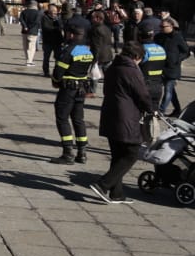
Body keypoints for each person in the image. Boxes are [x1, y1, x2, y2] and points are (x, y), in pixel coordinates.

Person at [89, 41, 153, 204]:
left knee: (117, 155)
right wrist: (151, 109)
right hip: (126, 116)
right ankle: (103, 184)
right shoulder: (132, 70)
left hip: (110, 113)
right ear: (137, 57)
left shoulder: (113, 67)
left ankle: (116, 193)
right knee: (131, 153)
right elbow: (143, 94)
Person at [50, 24, 95, 165]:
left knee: (62, 118)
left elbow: (58, 72)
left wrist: (55, 81)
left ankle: (68, 153)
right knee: (78, 119)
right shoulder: (88, 51)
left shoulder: (69, 50)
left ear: (71, 35)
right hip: (82, 88)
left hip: (68, 88)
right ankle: (82, 153)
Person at [155, 16, 188, 116]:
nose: (161, 28)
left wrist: (177, 59)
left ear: (171, 26)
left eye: (163, 27)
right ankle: (177, 110)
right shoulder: (159, 37)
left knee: (168, 89)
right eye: (160, 26)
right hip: (161, 67)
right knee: (171, 90)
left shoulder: (178, 37)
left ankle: (161, 111)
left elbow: (186, 51)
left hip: (173, 68)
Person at [19, 0, 42, 68]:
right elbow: (36, 22)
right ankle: (29, 61)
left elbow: (21, 19)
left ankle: (27, 59)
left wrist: (25, 26)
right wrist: (30, 27)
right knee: (31, 47)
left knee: (25, 46)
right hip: (33, 31)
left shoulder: (24, 12)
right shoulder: (37, 13)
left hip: (24, 31)